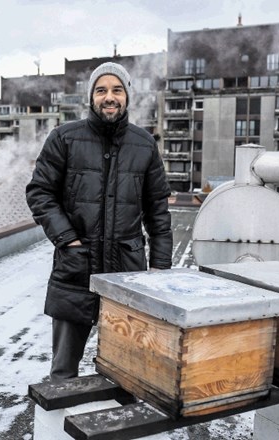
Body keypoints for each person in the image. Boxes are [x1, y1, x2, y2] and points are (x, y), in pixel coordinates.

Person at [26, 62, 173, 381]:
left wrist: (160, 265)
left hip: (127, 271)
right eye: (102, 90)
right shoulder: (64, 138)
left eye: (117, 90)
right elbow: (39, 193)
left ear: (127, 96)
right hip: (76, 268)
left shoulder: (144, 145)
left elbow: (157, 210)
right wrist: (69, 241)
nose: (110, 96)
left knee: (127, 368)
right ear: (91, 97)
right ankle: (59, 425)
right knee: (63, 371)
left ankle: (117, 427)